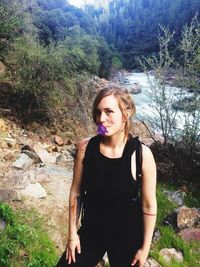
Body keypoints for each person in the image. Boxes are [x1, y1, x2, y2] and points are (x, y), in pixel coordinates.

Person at [56, 85, 157, 267]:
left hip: (127, 236)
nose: (101, 119)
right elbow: (76, 193)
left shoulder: (142, 155)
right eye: (98, 112)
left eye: (109, 111)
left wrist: (145, 248)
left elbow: (149, 205)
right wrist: (72, 234)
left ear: (126, 113)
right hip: (92, 232)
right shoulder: (86, 149)